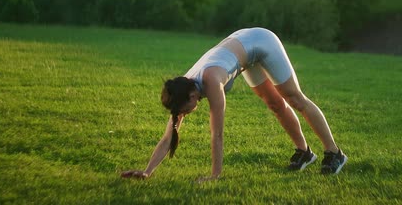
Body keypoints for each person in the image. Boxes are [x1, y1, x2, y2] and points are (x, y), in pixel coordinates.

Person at [121, 27, 346, 181]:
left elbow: (217, 135)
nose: (183, 115)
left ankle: (334, 152)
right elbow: (168, 136)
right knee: (274, 104)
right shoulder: (183, 87)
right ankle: (304, 152)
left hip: (260, 41)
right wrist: (147, 171)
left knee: (294, 98)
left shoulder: (211, 82)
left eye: (182, 111)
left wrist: (214, 176)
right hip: (242, 51)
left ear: (191, 98)